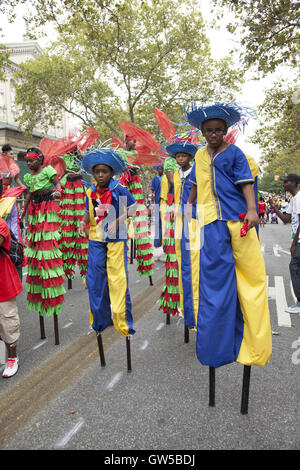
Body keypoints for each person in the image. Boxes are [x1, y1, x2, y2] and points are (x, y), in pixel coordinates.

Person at [186, 102, 272, 368]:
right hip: (210, 223)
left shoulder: (235, 153)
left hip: (238, 221)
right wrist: (187, 209)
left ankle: (255, 345)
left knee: (250, 278)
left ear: (225, 131)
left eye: (218, 130)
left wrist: (251, 211)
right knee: (214, 285)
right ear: (202, 131)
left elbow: (246, 184)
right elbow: (196, 185)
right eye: (209, 130)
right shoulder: (199, 156)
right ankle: (218, 344)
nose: (213, 134)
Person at [79, 149, 137, 337]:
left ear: (111, 173)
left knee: (117, 279)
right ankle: (100, 320)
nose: (101, 175)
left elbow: (133, 207)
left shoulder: (119, 189)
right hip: (96, 238)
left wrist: (117, 222)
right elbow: (89, 211)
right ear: (93, 173)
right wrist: (82, 222)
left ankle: (122, 321)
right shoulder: (91, 190)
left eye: (104, 171)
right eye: (97, 172)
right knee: (95, 279)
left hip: (116, 238)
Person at [21, 148, 66, 339]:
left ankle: (52, 289)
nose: (29, 164)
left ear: (40, 160)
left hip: (48, 209)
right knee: (36, 248)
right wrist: (23, 213)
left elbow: (58, 186)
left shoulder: (48, 171)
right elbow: (30, 195)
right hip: (35, 210)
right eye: (27, 161)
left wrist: (58, 192)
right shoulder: (29, 178)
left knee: (48, 246)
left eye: (31, 161)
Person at [165, 140, 200, 330]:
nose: (180, 158)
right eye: (177, 156)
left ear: (191, 158)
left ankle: (195, 311)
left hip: (194, 217)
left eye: (184, 156)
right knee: (181, 261)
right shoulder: (177, 175)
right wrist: (172, 207)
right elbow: (176, 194)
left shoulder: (196, 172)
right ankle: (186, 310)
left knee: (193, 262)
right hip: (179, 218)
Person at [269, 174, 300, 313]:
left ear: (293, 183)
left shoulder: (299, 198)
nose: (283, 184)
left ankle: (299, 302)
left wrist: (294, 243)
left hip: (299, 240)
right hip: (297, 239)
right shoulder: (293, 199)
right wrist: (274, 207)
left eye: (286, 182)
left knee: (294, 267)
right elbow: (286, 219)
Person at [0, 215, 22, 377]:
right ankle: (1, 357)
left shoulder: (1, 224)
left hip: (3, 281)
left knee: (7, 320)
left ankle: (12, 357)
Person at [150, 165, 164, 248]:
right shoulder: (155, 178)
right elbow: (152, 189)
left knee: (165, 221)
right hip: (157, 201)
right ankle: (157, 242)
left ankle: (164, 241)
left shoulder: (166, 177)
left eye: (161, 169)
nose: (160, 170)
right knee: (158, 221)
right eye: (158, 169)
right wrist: (152, 198)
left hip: (164, 201)